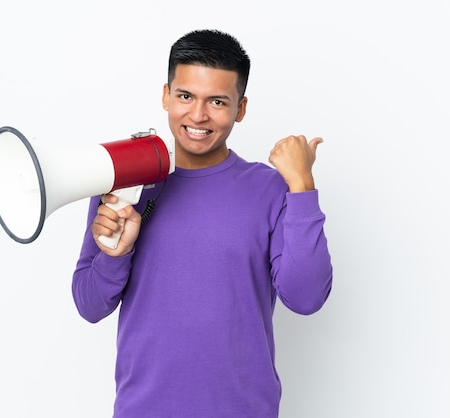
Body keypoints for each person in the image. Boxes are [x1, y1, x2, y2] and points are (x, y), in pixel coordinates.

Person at [72, 29, 333, 418]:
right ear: (165, 95)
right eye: (185, 96)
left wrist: (302, 186)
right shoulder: (124, 180)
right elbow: (90, 305)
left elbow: (306, 297)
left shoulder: (270, 189)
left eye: (217, 101)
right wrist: (116, 253)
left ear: (240, 108)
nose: (198, 115)